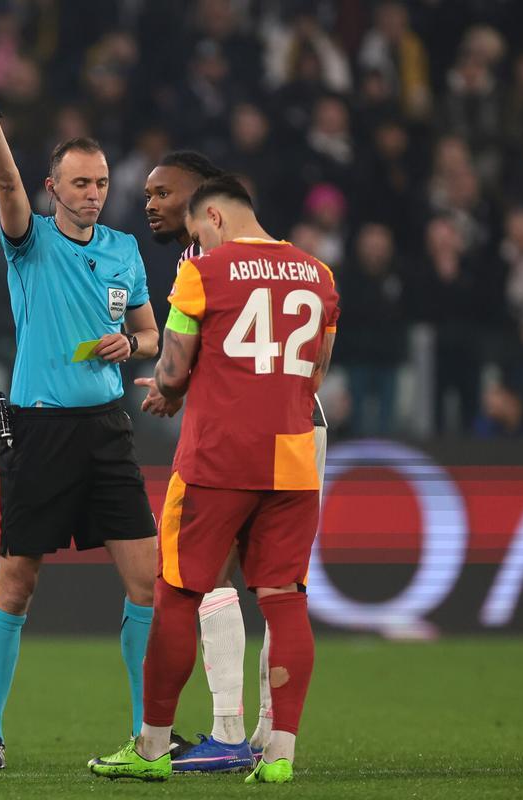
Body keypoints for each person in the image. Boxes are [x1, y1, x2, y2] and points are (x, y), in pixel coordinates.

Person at [90, 175, 338, 784]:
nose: (198, 241)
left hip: (218, 458)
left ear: (215, 218)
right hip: (293, 457)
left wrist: (168, 391)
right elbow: (316, 374)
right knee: (285, 599)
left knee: (177, 592)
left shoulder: (203, 273)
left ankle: (152, 747)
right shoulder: (320, 276)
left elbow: (172, 371)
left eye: (199, 231)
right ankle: (279, 755)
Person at [0, 62, 162, 770]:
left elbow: (152, 335)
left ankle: (147, 733)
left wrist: (133, 345)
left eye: (100, 182)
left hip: (106, 429)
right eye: (79, 183)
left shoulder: (124, 250)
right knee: (18, 581)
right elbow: (5, 184)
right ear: (53, 188)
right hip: (39, 430)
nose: (93, 193)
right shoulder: (31, 240)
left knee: (148, 582)